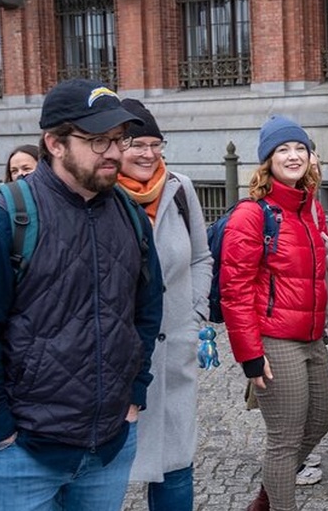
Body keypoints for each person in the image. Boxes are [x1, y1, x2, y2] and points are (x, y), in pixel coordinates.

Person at [0, 79, 164, 511]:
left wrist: (134, 394)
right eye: (98, 140)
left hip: (108, 448)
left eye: (119, 139)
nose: (115, 152)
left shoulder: (130, 217)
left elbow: (146, 311)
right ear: (55, 143)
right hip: (22, 455)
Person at [220, 115, 328, 511]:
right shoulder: (252, 214)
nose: (293, 155)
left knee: (320, 421)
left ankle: (267, 496)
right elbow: (234, 290)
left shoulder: (310, 209)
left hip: (312, 337)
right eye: (283, 149)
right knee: (284, 439)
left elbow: (324, 270)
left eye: (299, 148)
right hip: (275, 340)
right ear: (266, 160)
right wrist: (250, 355)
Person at [116, 99, 213, 511]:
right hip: (119, 359)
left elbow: (200, 257)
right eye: (138, 143)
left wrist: (195, 316)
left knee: (176, 467)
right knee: (109, 471)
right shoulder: (102, 195)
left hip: (174, 350)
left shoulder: (179, 188)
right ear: (115, 146)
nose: (148, 153)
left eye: (156, 143)